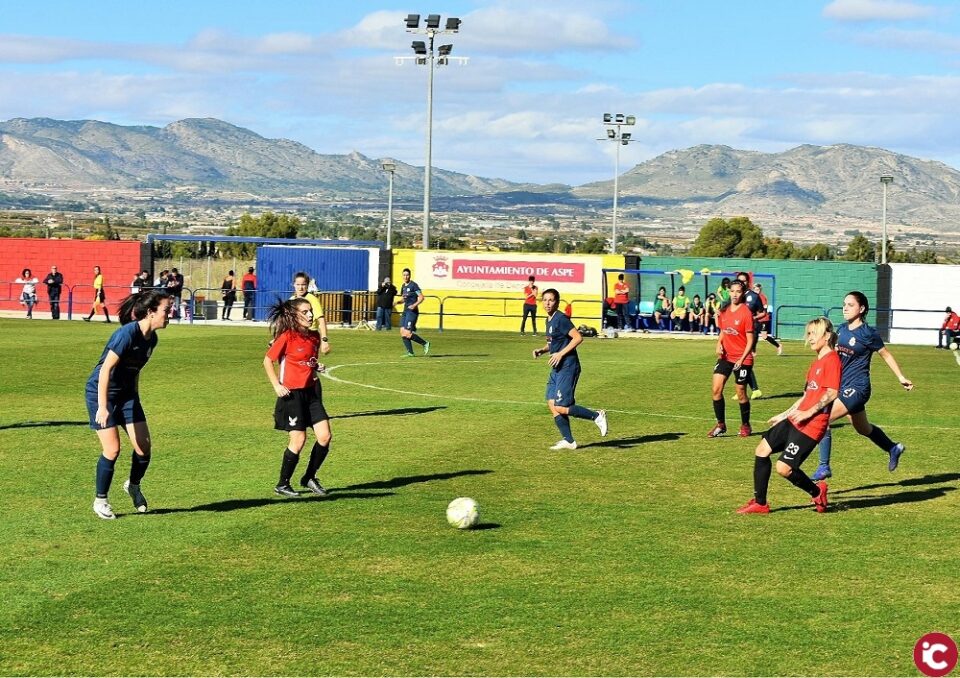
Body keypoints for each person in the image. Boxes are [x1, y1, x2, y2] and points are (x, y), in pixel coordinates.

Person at [737, 317, 839, 515]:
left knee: (784, 468)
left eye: (813, 334)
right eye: (808, 334)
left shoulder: (832, 360)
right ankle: (760, 503)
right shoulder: (815, 363)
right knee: (762, 449)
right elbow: (805, 396)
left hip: (812, 426)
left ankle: (817, 491)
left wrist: (808, 413)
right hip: (795, 420)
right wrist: (785, 414)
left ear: (826, 337)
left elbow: (832, 393)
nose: (809, 338)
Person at [87, 289, 173, 519]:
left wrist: (134, 399)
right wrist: (103, 407)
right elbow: (105, 370)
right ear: (151, 312)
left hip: (127, 395)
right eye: (166, 309)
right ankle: (101, 501)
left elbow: (135, 372)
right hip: (101, 393)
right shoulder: (126, 334)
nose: (170, 313)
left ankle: (133, 485)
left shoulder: (151, 339)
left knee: (144, 447)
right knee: (112, 449)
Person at [811, 291, 914, 481]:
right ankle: (893, 448)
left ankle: (824, 466)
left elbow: (886, 355)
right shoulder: (840, 330)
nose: (845, 308)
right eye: (844, 304)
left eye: (850, 305)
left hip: (858, 388)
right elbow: (831, 357)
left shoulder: (868, 333)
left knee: (821, 418)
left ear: (862, 309)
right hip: (840, 387)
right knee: (862, 428)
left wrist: (901, 377)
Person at [263, 297, 332, 498]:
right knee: (298, 440)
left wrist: (315, 366)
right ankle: (282, 484)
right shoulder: (286, 336)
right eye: (305, 312)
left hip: (312, 393)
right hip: (292, 395)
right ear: (294, 315)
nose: (310, 315)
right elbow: (268, 361)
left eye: (311, 311)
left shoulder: (314, 337)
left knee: (325, 436)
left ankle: (309, 477)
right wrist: (277, 385)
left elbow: (306, 360)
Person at [533, 288, 607, 450]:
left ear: (557, 302)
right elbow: (554, 343)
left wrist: (560, 354)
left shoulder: (561, 319)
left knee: (561, 406)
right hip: (557, 367)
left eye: (551, 300)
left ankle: (596, 416)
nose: (547, 303)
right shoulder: (549, 320)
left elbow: (578, 337)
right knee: (552, 403)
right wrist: (542, 350)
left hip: (568, 366)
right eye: (545, 300)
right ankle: (569, 440)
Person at [708, 280, 755, 438]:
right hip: (726, 357)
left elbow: (750, 340)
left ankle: (745, 425)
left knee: (741, 392)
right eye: (732, 291)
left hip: (743, 358)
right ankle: (721, 424)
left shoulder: (746, 313)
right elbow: (723, 331)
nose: (735, 294)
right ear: (729, 292)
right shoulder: (725, 310)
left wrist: (742, 359)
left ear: (742, 294)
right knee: (716, 389)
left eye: (738, 292)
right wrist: (718, 344)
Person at [738, 272, 766, 399]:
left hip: (751, 330)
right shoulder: (736, 296)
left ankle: (754, 389)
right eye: (739, 280)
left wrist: (752, 317)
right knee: (738, 359)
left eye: (743, 281)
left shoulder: (754, 296)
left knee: (744, 360)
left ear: (748, 282)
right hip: (739, 331)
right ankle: (743, 388)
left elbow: (762, 313)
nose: (741, 283)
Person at [290, 273, 331, 358]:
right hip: (295, 337)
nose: (300, 288)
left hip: (310, 336)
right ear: (293, 284)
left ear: (307, 285)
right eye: (298, 284)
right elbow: (286, 322)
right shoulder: (291, 300)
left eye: (303, 285)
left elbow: (321, 320)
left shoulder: (312, 299)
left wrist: (324, 340)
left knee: (307, 364)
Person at [396, 268, 430, 357]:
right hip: (405, 311)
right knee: (402, 331)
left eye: (407, 275)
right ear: (402, 276)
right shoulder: (403, 286)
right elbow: (404, 298)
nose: (405, 276)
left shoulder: (414, 285)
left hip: (412, 312)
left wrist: (414, 305)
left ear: (410, 276)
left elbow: (421, 297)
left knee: (407, 333)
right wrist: (398, 302)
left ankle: (425, 343)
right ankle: (410, 353)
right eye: (404, 275)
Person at [752, 282, 783, 355]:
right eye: (756, 289)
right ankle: (753, 351)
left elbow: (764, 310)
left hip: (763, 319)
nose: (757, 291)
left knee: (764, 336)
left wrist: (757, 315)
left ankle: (778, 345)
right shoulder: (753, 297)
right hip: (757, 319)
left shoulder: (762, 297)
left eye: (758, 289)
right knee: (755, 334)